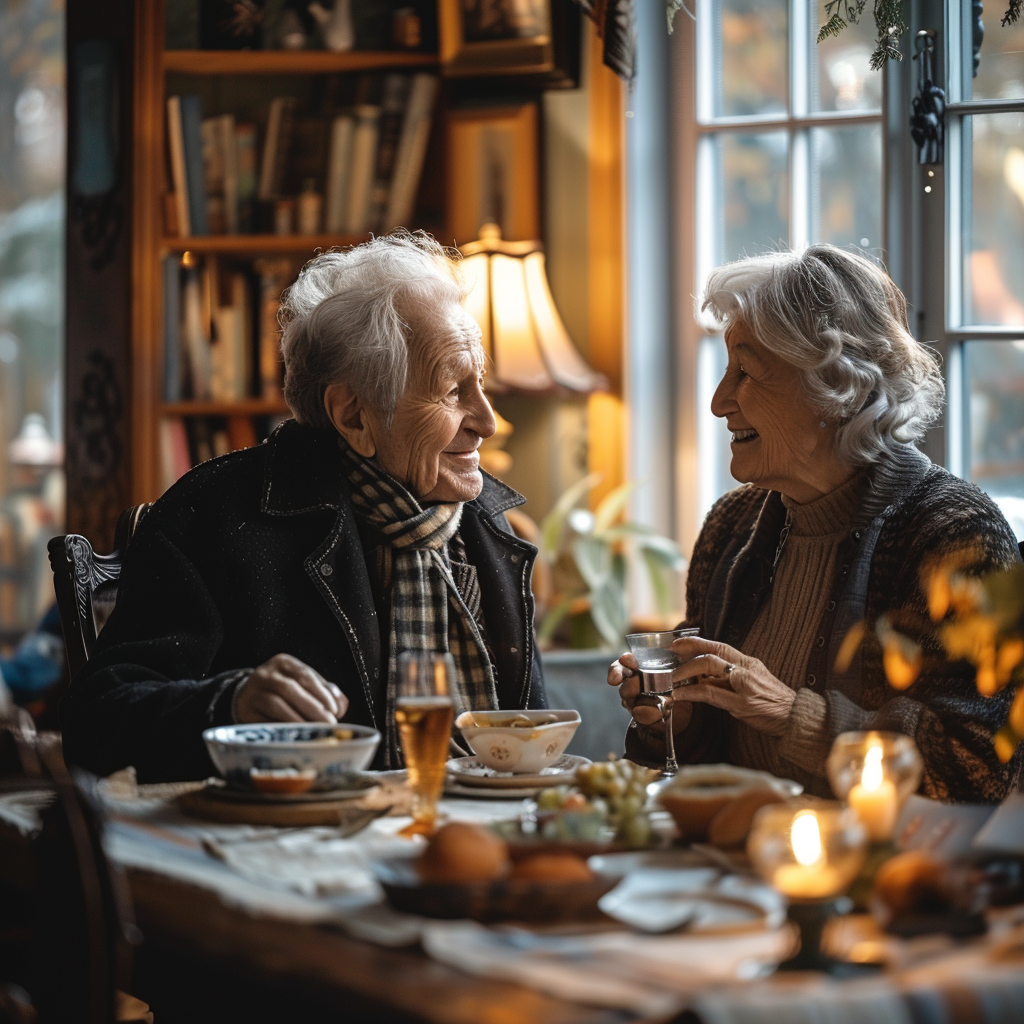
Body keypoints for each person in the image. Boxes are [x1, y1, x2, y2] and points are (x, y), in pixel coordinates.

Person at [62, 233, 546, 781]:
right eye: (452, 390)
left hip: (478, 845)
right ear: (354, 415)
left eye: (479, 382)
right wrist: (229, 707)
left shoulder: (488, 527)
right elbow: (95, 724)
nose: (488, 420)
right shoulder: (215, 517)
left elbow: (532, 741)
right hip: (282, 853)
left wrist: (651, 727)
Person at [609, 245, 1022, 803]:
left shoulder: (954, 537)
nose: (718, 401)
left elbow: (973, 772)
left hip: (880, 872)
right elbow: (704, 757)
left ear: (837, 386)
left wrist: (787, 713)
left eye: (746, 371)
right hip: (733, 857)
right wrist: (671, 718)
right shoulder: (733, 526)